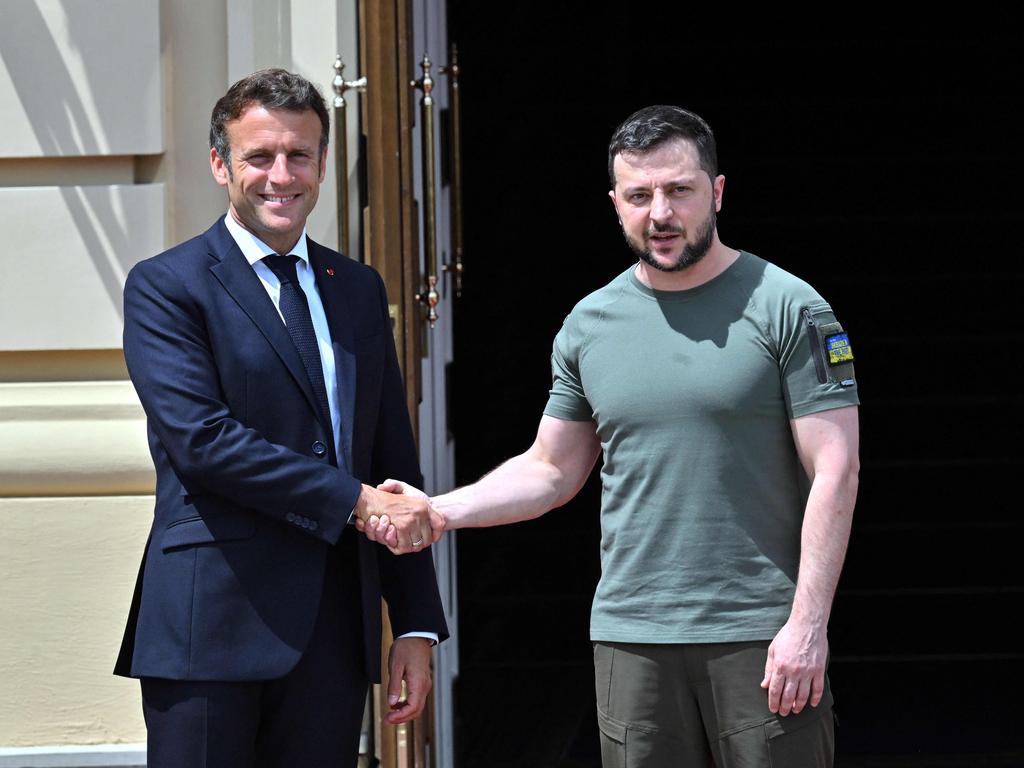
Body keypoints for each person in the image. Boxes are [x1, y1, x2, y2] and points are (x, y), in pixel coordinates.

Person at [366, 105, 859, 767]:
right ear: (615, 203)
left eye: (679, 190)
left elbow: (837, 468)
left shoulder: (789, 306)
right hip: (631, 640)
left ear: (716, 192)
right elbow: (551, 469)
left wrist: (808, 625)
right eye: (639, 195)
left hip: (760, 636)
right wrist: (441, 510)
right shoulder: (590, 324)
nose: (660, 212)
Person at [114, 68, 448, 768]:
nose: (280, 175)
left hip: (333, 633)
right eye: (258, 157)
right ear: (219, 164)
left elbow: (393, 461)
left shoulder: (357, 289)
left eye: (299, 155)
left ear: (323, 163)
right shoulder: (167, 286)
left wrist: (415, 622)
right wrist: (353, 501)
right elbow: (203, 442)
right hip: (210, 628)